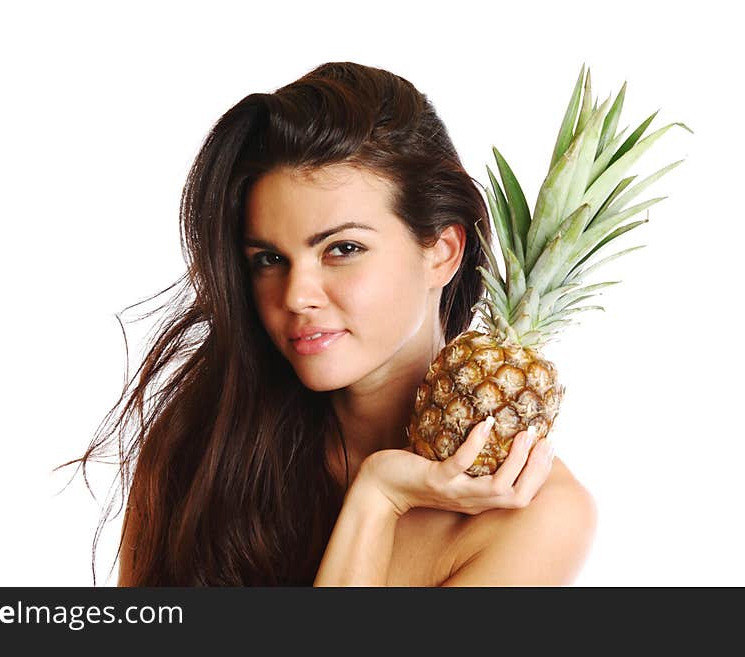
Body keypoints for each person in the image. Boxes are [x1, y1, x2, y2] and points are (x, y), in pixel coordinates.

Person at [63, 61, 597, 586]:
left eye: (343, 249)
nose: (296, 296)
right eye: (268, 259)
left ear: (442, 251)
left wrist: (378, 498)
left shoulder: (536, 516)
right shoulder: (205, 445)